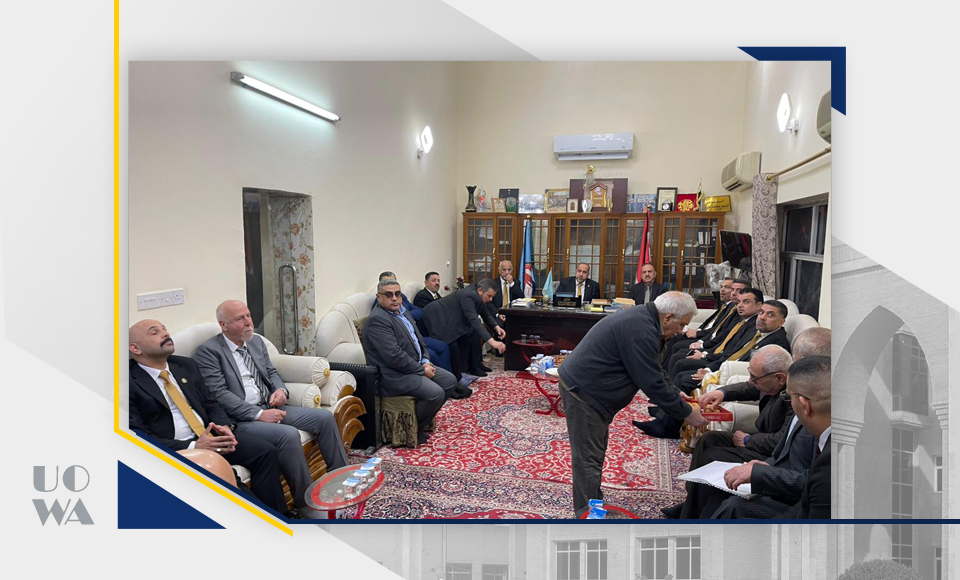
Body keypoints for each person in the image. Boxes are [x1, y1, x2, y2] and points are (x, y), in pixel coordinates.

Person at [556, 291, 708, 516]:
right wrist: (686, 412)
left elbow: (654, 368)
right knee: (588, 458)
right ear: (668, 317)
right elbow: (651, 382)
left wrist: (676, 394)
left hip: (590, 389)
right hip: (584, 391)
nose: (681, 330)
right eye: (682, 324)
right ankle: (588, 515)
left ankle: (593, 504)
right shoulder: (641, 328)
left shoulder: (646, 320)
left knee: (593, 453)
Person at [194, 300, 348, 517]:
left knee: (324, 418)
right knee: (288, 434)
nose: (249, 322)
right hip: (242, 419)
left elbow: (271, 372)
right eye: (240, 319)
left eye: (248, 315)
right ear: (223, 325)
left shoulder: (256, 342)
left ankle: (342, 480)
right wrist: (258, 414)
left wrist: (281, 390)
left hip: (271, 405)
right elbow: (219, 394)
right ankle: (306, 503)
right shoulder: (208, 352)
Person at [128, 319, 287, 514]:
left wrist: (224, 426)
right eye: (154, 332)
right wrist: (194, 446)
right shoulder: (127, 381)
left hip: (209, 435)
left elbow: (211, 402)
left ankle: (280, 515)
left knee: (265, 452)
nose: (165, 333)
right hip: (177, 448)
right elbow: (136, 435)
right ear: (135, 348)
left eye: (165, 329)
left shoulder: (184, 365)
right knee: (224, 474)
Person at [658, 345, 793, 519]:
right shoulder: (770, 382)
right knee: (709, 439)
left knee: (713, 455)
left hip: (771, 454)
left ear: (780, 378)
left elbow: (781, 442)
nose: (750, 380)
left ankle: (692, 514)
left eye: (754, 377)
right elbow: (750, 388)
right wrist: (721, 392)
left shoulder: (795, 396)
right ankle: (693, 502)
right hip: (760, 441)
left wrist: (748, 440)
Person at [710, 355, 830, 518]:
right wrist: (766, 468)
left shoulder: (829, 450)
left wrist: (762, 473)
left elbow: (809, 492)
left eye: (789, 396)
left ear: (804, 405)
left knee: (734, 507)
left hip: (799, 506)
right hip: (785, 482)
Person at [363, 279, 466, 445]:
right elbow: (394, 356)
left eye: (397, 294)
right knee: (435, 393)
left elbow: (419, 341)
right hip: (392, 375)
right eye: (389, 295)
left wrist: (425, 361)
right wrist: (421, 370)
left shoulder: (402, 312)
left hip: (414, 366)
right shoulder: (378, 320)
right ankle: (410, 430)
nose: (394, 298)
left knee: (449, 381)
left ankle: (420, 423)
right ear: (379, 297)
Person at [423, 279, 507, 382]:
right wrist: (493, 342)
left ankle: (461, 373)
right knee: (452, 345)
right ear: (480, 290)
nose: (490, 299)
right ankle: (456, 378)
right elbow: (473, 320)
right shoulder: (468, 295)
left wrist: (496, 327)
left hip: (449, 319)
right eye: (489, 296)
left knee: (465, 341)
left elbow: (485, 313)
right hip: (435, 317)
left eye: (492, 296)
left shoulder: (479, 295)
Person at [372, 271, 452, 373]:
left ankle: (451, 376)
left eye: (393, 282)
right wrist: (403, 315)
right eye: (386, 283)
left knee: (444, 346)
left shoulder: (402, 298)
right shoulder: (379, 307)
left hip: (415, 335)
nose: (394, 297)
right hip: (403, 342)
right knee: (432, 354)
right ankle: (438, 376)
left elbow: (420, 311)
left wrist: (405, 315)